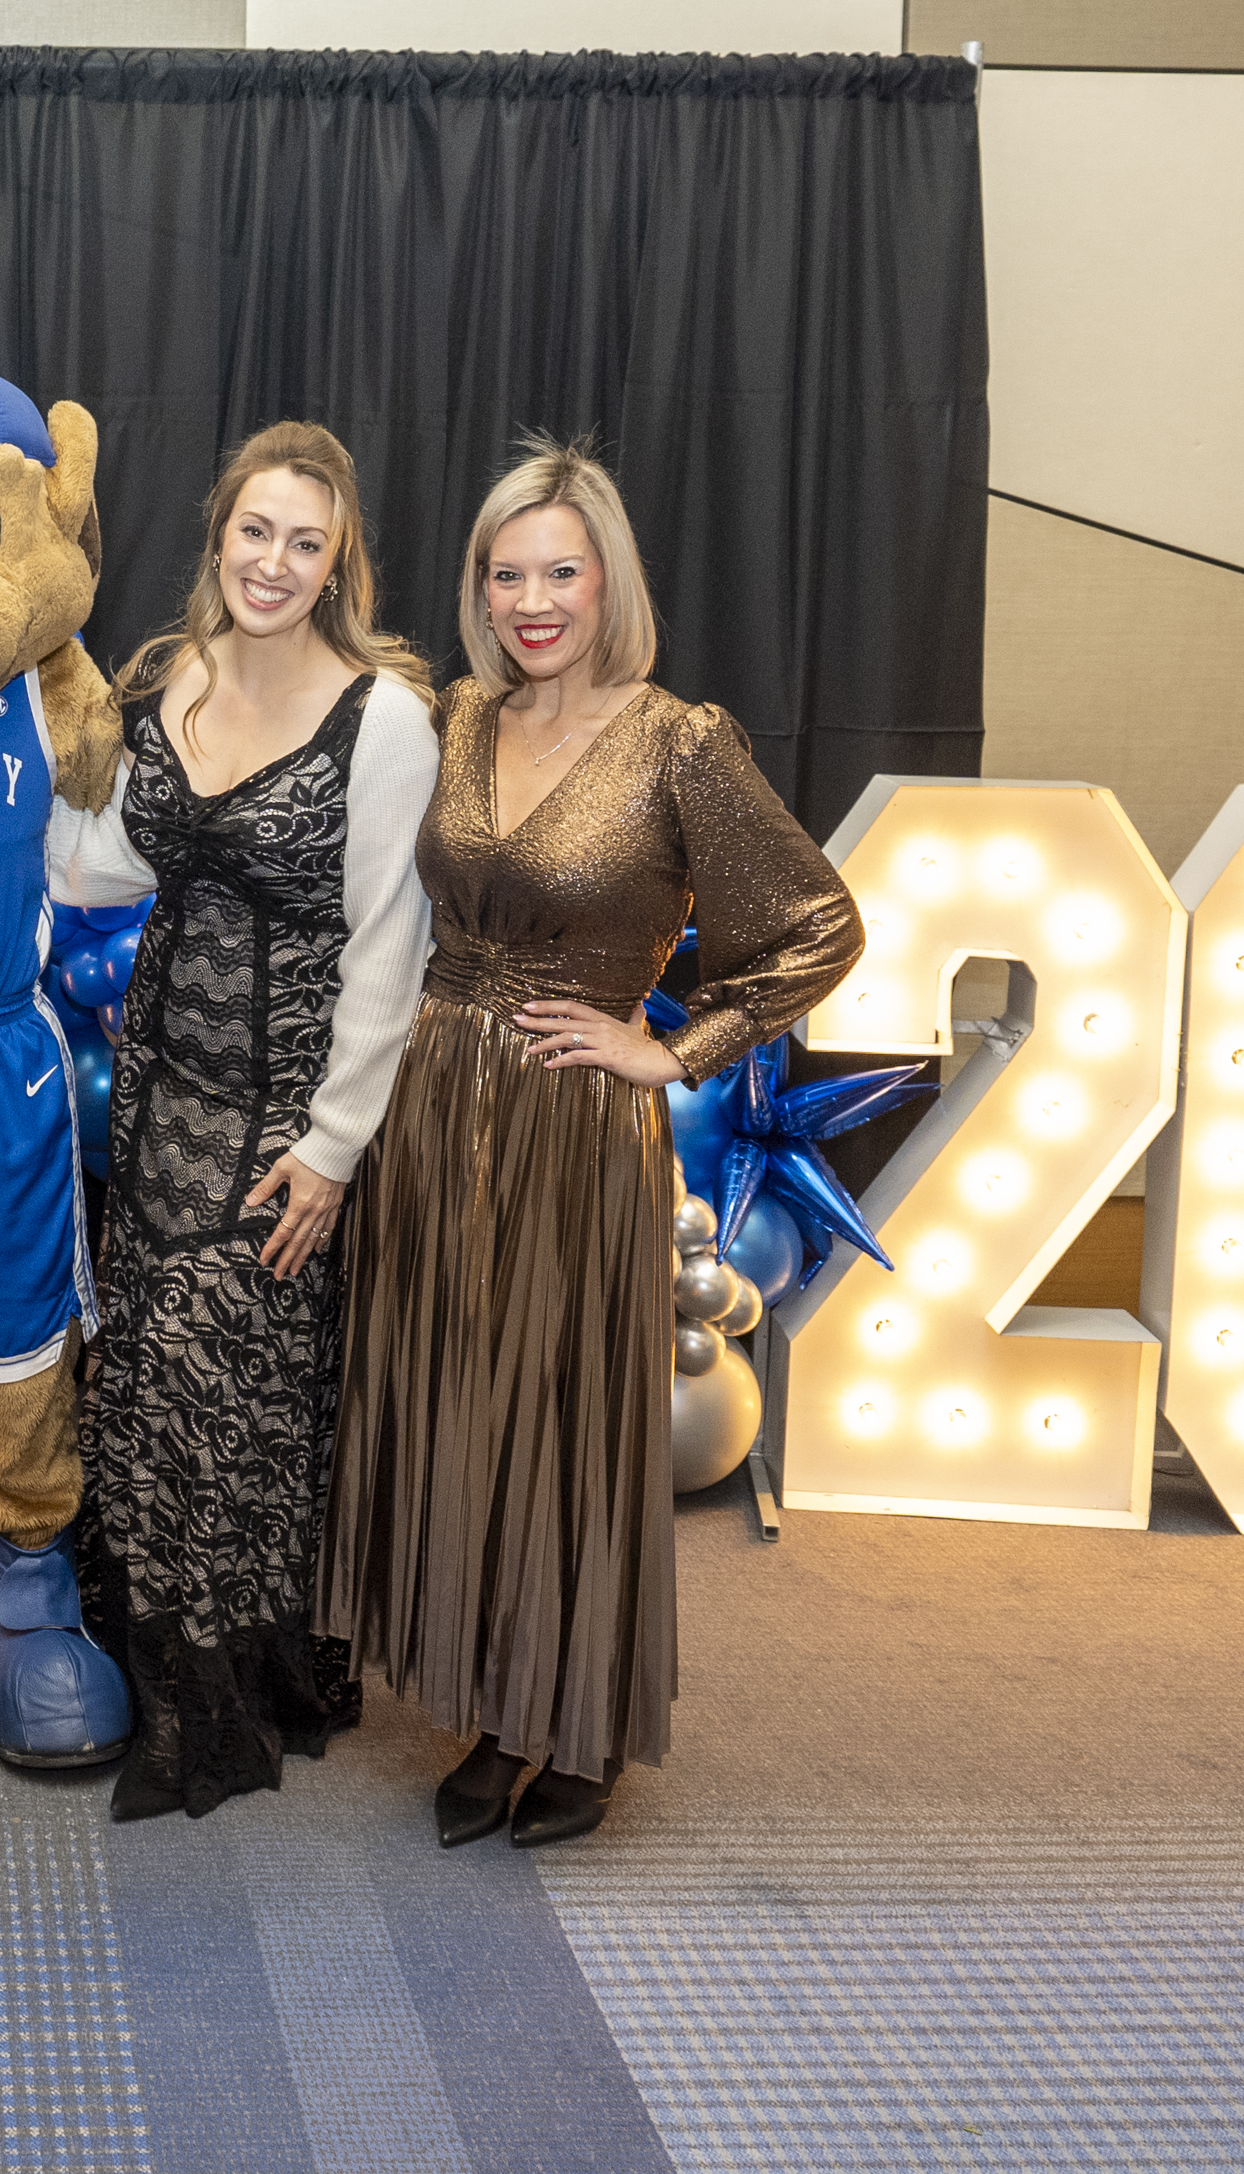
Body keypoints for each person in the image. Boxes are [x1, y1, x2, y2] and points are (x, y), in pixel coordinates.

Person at [319, 438, 863, 1851]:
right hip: (435, 1104)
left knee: (560, 1418)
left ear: (610, 577)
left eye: (561, 570)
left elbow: (818, 929)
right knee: (456, 1401)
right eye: (506, 574)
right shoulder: (452, 719)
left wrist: (670, 1049)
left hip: (571, 1124)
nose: (531, 599)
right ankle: (489, 1698)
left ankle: (573, 1723)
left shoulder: (682, 741)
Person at [70, 423, 439, 1821]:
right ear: (216, 535)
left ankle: (211, 1711)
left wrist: (336, 1148)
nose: (274, 562)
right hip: (156, 1099)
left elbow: (389, 943)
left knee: (230, 1401)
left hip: (287, 1120)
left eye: (306, 540)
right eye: (254, 532)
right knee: (147, 1384)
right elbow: (113, 863)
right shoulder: (166, 677)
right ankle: (176, 1668)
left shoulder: (384, 715)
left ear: (337, 560)